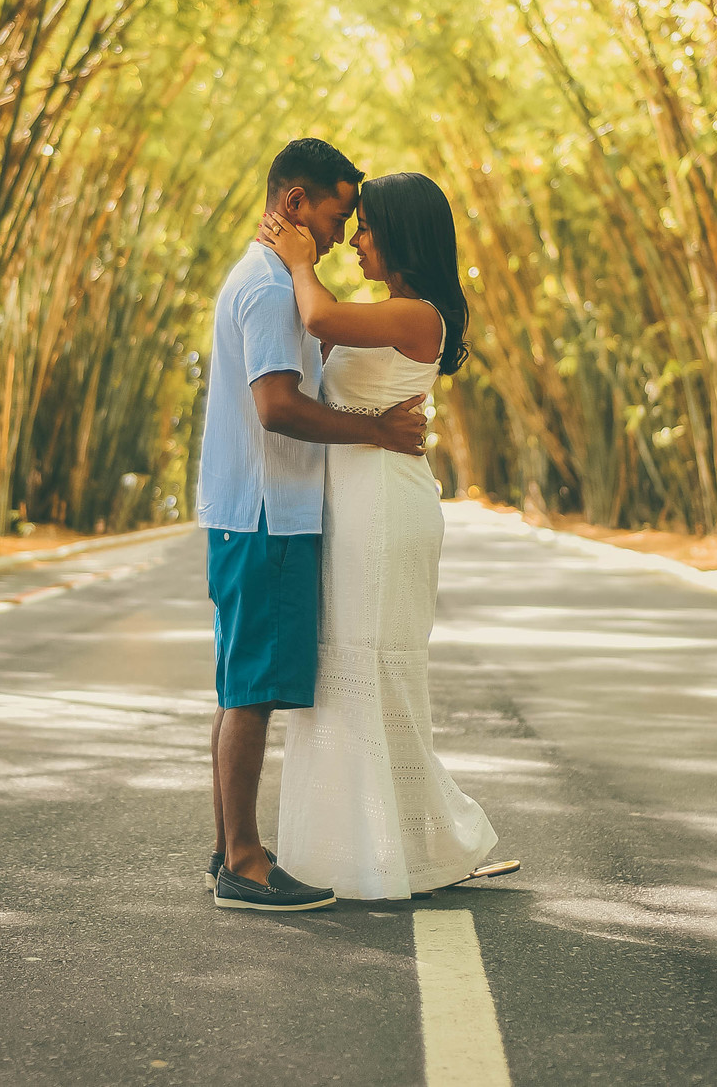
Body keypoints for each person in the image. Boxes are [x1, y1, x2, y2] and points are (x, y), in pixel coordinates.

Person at [258, 171, 508, 901]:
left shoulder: (419, 316)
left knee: (378, 669)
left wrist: (298, 258)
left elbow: (318, 319)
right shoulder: (390, 312)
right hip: (353, 502)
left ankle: (416, 848)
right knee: (346, 671)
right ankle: (361, 852)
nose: (355, 240)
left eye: (366, 228)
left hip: (387, 509)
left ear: (400, 236)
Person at [196, 139, 429, 913]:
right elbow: (277, 407)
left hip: (254, 512)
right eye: (336, 214)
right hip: (268, 512)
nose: (339, 233)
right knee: (252, 692)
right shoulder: (269, 287)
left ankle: (231, 850)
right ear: (295, 202)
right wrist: (377, 430)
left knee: (242, 686)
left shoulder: (269, 279)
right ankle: (243, 863)